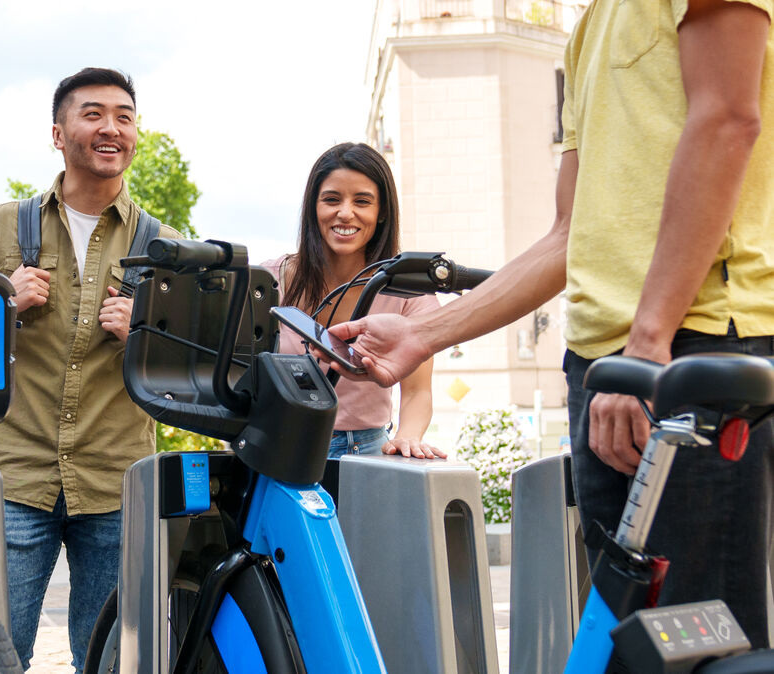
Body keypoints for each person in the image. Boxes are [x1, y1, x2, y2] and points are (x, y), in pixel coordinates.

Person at [327, 0, 774, 647]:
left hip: (684, 352)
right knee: (627, 646)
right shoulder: (588, 27)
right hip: (603, 368)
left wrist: (646, 343)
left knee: (704, 645)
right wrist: (424, 334)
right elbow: (566, 235)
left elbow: (726, 122)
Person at [0, 67, 180, 672]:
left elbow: (189, 372)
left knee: (108, 661)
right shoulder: (1, 227)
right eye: (93, 113)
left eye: (124, 117)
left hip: (115, 482)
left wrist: (147, 337)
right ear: (58, 132)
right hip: (16, 478)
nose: (111, 128)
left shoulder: (166, 248)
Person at [263, 142, 443, 459]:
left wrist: (407, 438)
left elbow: (417, 391)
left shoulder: (409, 291)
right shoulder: (267, 282)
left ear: (382, 212)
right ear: (313, 207)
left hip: (368, 451)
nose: (345, 213)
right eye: (332, 200)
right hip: (280, 448)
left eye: (362, 201)